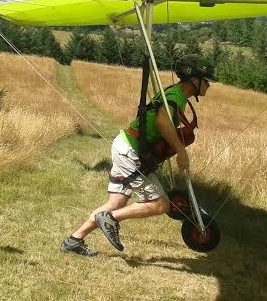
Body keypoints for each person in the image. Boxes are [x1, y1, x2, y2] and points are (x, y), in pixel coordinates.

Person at [60, 54, 215, 256]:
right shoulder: (175, 96)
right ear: (194, 79)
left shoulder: (175, 93)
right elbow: (162, 120)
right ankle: (110, 219)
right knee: (160, 204)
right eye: (206, 80)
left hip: (125, 145)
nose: (209, 85)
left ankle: (73, 241)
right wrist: (180, 149)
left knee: (114, 204)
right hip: (130, 151)